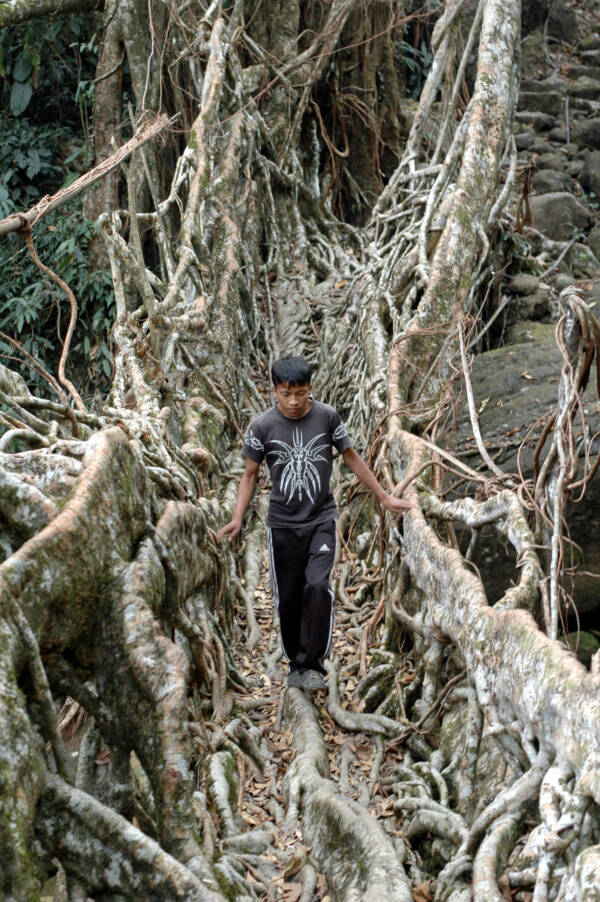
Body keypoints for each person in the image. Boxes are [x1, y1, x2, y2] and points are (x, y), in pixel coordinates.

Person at [216, 356, 414, 691]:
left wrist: (383, 496)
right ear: (274, 391)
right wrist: (237, 518)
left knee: (318, 587)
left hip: (321, 518)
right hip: (281, 524)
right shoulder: (262, 427)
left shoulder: (327, 417)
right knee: (290, 598)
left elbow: (352, 458)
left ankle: (313, 665)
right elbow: (249, 475)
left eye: (301, 393)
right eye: (285, 394)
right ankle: (295, 663)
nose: (293, 402)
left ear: (311, 389)